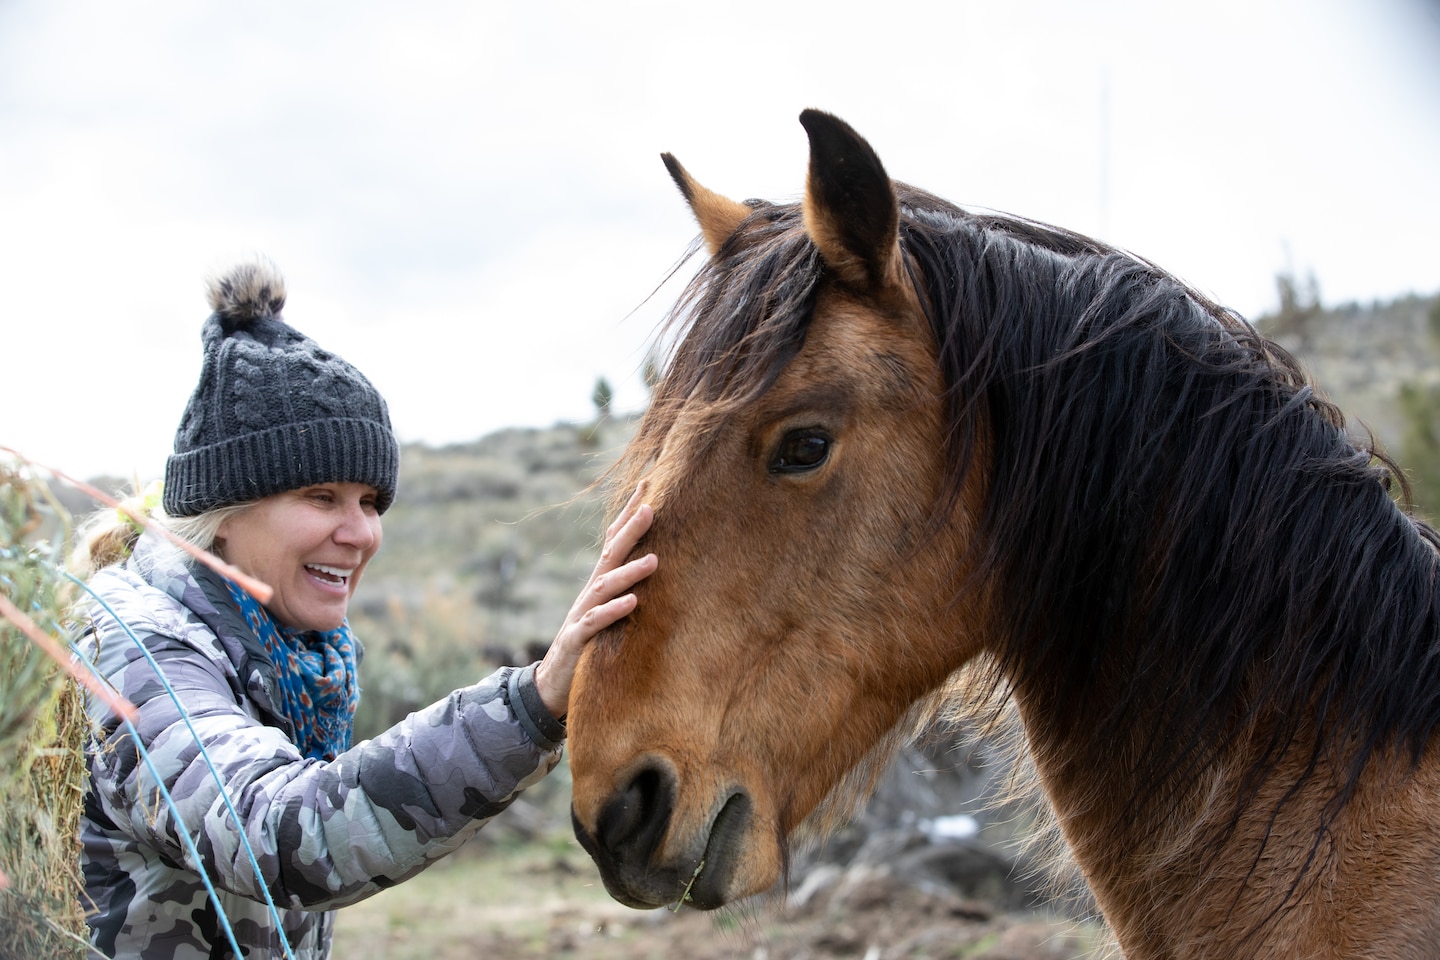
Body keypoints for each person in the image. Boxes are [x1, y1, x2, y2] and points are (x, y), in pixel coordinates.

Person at [73, 260, 657, 959]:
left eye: (371, 502)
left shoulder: (287, 653)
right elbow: (274, 834)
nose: (360, 534)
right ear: (223, 512)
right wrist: (528, 705)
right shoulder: (133, 656)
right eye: (322, 497)